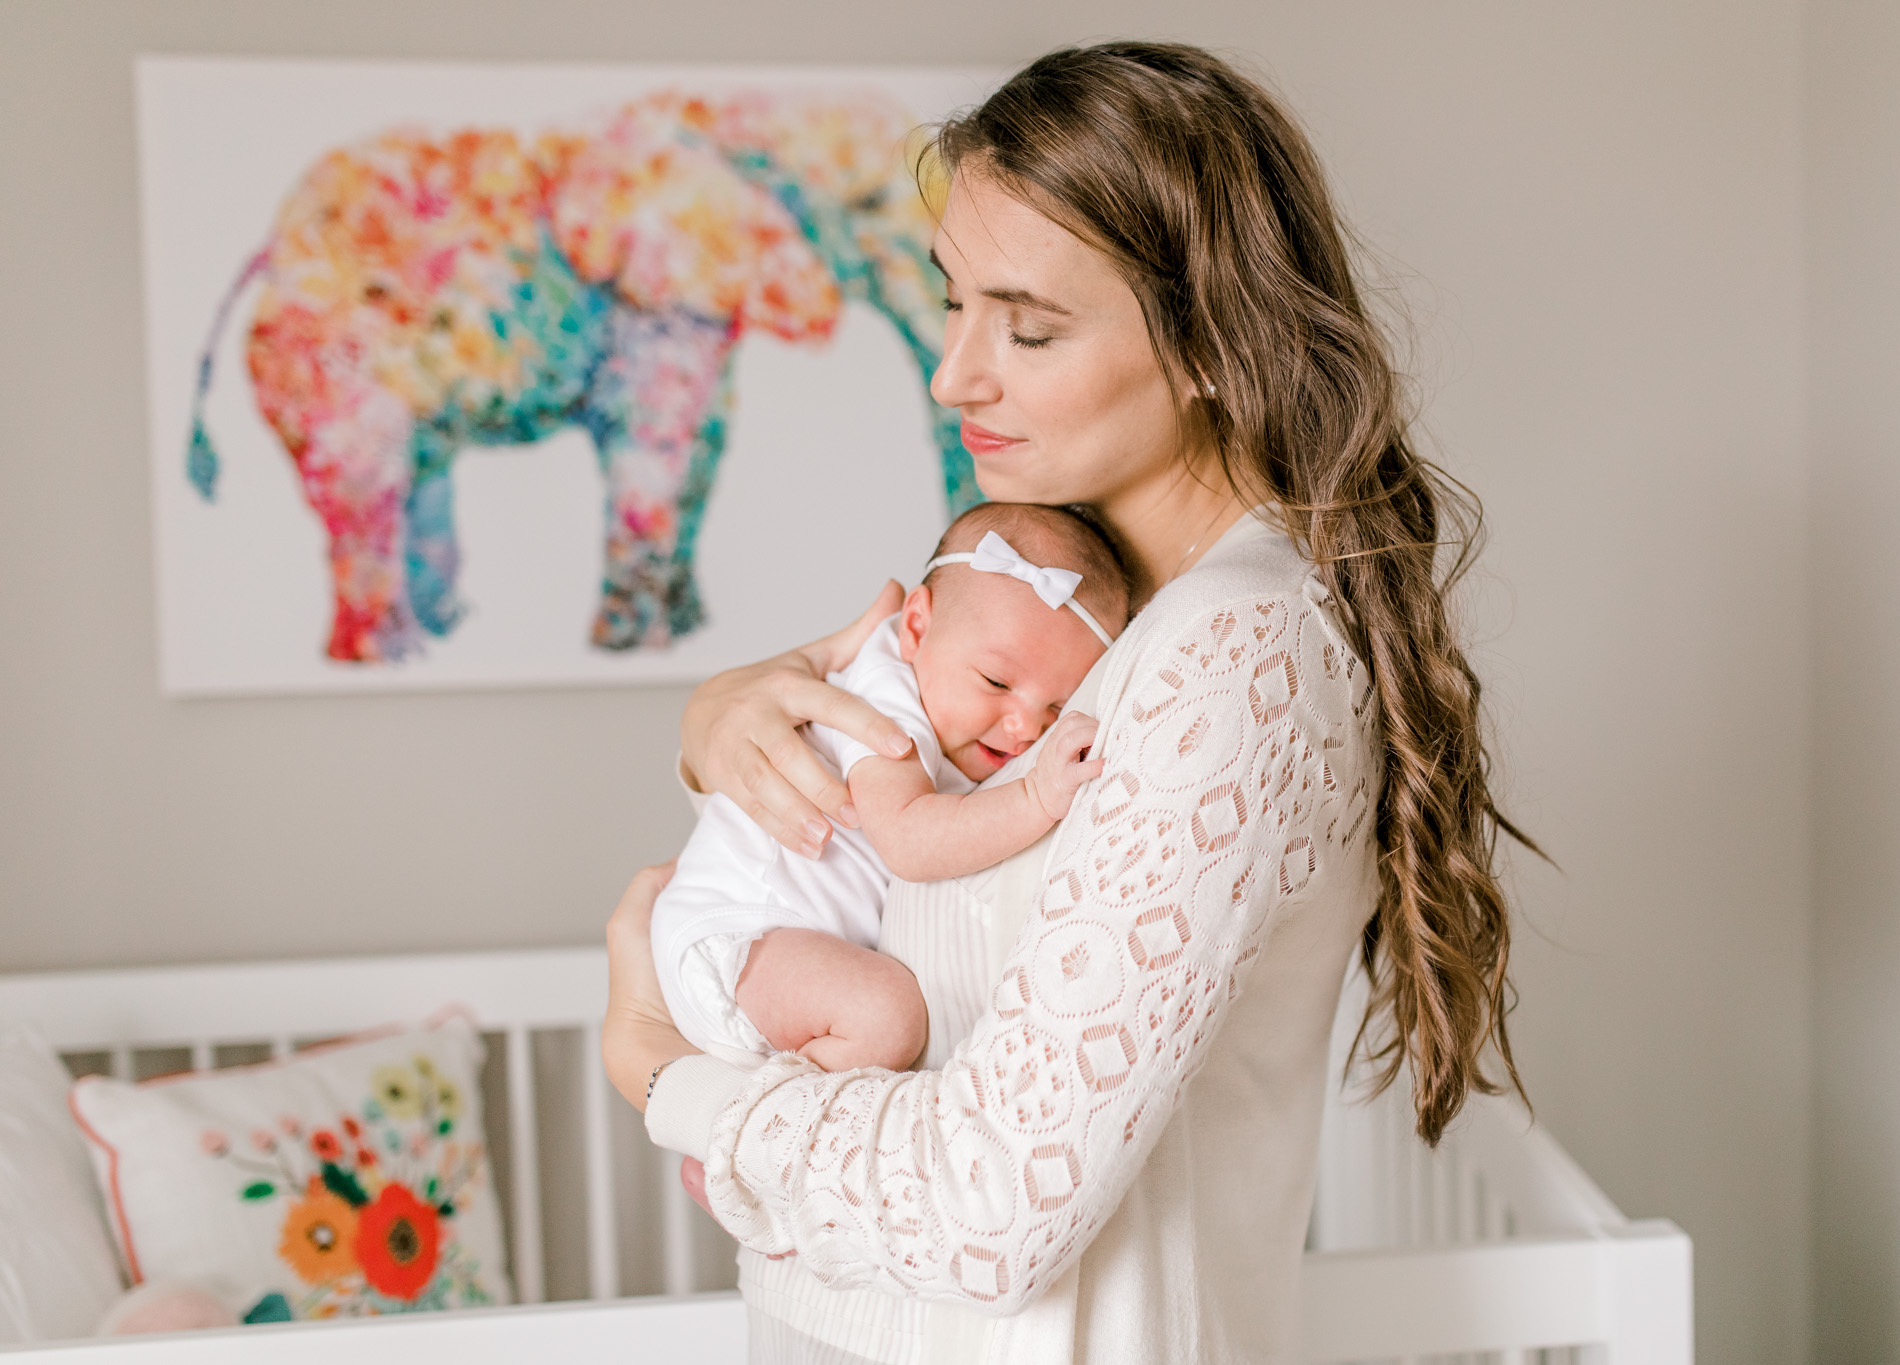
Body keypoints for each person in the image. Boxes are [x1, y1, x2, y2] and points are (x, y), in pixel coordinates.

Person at [602, 41, 1529, 1363]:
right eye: (952, 306)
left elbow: (993, 1211)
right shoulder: (1081, 608)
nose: (955, 376)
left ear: (1212, 342)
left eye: (1028, 327)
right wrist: (720, 734)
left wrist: (658, 1068)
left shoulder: (1234, 657)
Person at [650, 501, 1130, 1073]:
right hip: (739, 932)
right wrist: (1034, 797)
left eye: (1056, 706)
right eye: (996, 681)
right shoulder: (886, 701)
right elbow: (907, 838)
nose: (1026, 727)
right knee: (888, 1017)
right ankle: (754, 1128)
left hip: (778, 946)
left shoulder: (948, 699)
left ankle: (720, 1139)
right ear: (916, 628)